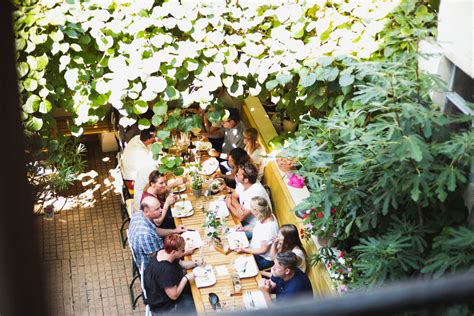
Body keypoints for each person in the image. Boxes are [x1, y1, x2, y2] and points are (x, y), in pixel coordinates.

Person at [144, 234, 204, 315]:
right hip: (164, 306)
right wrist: (186, 278)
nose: (184, 252)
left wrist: (196, 263)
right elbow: (174, 295)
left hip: (159, 292)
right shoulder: (166, 271)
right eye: (182, 250)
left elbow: (182, 264)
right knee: (197, 305)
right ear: (174, 252)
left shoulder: (163, 252)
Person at [128, 196, 188, 269]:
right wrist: (183, 252)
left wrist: (175, 230)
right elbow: (157, 257)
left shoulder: (140, 214)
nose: (161, 210)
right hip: (152, 266)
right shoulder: (145, 234)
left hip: (158, 250)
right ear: (146, 211)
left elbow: (155, 230)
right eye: (157, 209)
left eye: (160, 207)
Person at [225, 162, 271, 236]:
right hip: (244, 218)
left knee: (229, 233)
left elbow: (241, 217)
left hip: (255, 226)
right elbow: (233, 197)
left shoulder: (255, 193)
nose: (236, 174)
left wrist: (229, 205)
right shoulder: (245, 183)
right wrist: (238, 207)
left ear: (246, 179)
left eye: (239, 174)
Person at [234, 197, 279, 270]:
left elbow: (262, 250)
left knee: (238, 265)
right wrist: (244, 228)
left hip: (263, 258)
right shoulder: (266, 214)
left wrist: (245, 250)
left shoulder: (269, 228)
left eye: (251, 207)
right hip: (254, 248)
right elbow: (258, 229)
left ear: (256, 210)